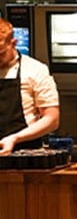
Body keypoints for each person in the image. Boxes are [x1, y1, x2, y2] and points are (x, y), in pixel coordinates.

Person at [0, 17, 60, 154]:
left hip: (25, 155)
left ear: (13, 43)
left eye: (0, 54)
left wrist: (14, 138)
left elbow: (52, 119)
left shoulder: (35, 70)